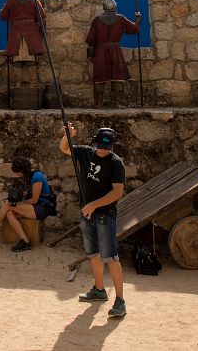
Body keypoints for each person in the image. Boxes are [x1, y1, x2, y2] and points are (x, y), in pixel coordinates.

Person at [59, 123, 127, 318]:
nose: (103, 151)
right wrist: (67, 135)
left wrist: (94, 205)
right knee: (93, 254)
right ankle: (99, 289)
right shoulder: (86, 153)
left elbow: (117, 192)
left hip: (105, 214)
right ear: (94, 144)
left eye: (107, 148)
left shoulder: (116, 162)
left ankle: (120, 300)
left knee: (111, 257)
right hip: (87, 213)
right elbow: (65, 148)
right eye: (100, 146)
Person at [0, 157, 53, 252]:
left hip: (42, 208)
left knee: (8, 205)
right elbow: (29, 195)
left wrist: (18, 203)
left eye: (17, 172)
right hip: (34, 207)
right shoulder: (27, 178)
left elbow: (34, 200)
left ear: (23, 170)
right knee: (9, 213)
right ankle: (25, 242)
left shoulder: (37, 177)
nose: (16, 174)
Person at [85, 0, 141, 107]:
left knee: (100, 76)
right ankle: (118, 102)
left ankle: (98, 103)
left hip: (100, 52)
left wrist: (91, 53)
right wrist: (138, 21)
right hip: (115, 51)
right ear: (114, 6)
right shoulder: (121, 19)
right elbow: (133, 29)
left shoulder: (97, 20)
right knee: (117, 75)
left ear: (104, 7)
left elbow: (91, 39)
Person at [0, 0, 45, 86]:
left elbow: (2, 16)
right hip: (31, 34)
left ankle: (19, 84)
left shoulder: (11, 1)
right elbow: (42, 15)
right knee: (29, 59)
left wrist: (4, 8)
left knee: (18, 60)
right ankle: (29, 84)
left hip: (16, 34)